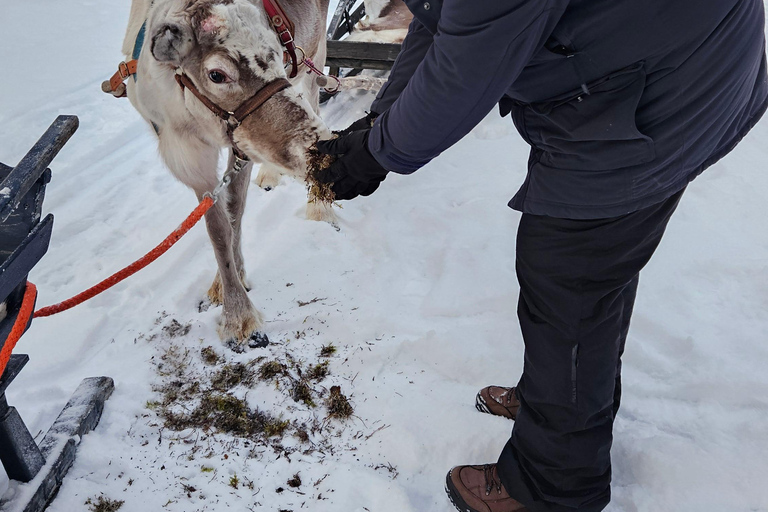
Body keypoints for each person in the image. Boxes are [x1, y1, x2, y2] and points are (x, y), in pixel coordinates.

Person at [315, 1, 768, 511]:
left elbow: (467, 67)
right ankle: (558, 405)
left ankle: (554, 486)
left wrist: (376, 153)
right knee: (593, 275)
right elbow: (438, 19)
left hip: (663, 94)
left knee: (568, 275)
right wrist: (382, 117)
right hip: (652, 65)